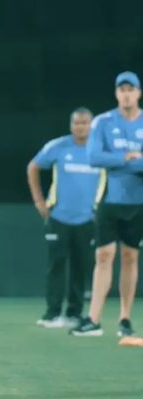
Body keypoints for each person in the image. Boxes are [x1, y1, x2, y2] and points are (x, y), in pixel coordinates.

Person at [70, 71, 143, 337]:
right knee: (104, 256)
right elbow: (93, 157)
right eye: (122, 90)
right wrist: (126, 158)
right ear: (116, 94)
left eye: (131, 89)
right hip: (109, 199)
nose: (126, 94)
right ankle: (93, 319)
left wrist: (125, 161)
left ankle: (125, 319)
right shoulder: (103, 122)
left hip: (138, 202)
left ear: (138, 93)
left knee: (130, 256)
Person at [27, 108, 99, 329]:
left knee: (80, 267)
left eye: (85, 123)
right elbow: (33, 166)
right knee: (56, 266)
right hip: (58, 217)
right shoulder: (58, 146)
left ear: (92, 125)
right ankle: (52, 314)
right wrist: (39, 201)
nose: (81, 127)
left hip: (87, 219)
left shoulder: (99, 150)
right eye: (77, 123)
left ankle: (74, 314)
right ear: (71, 125)